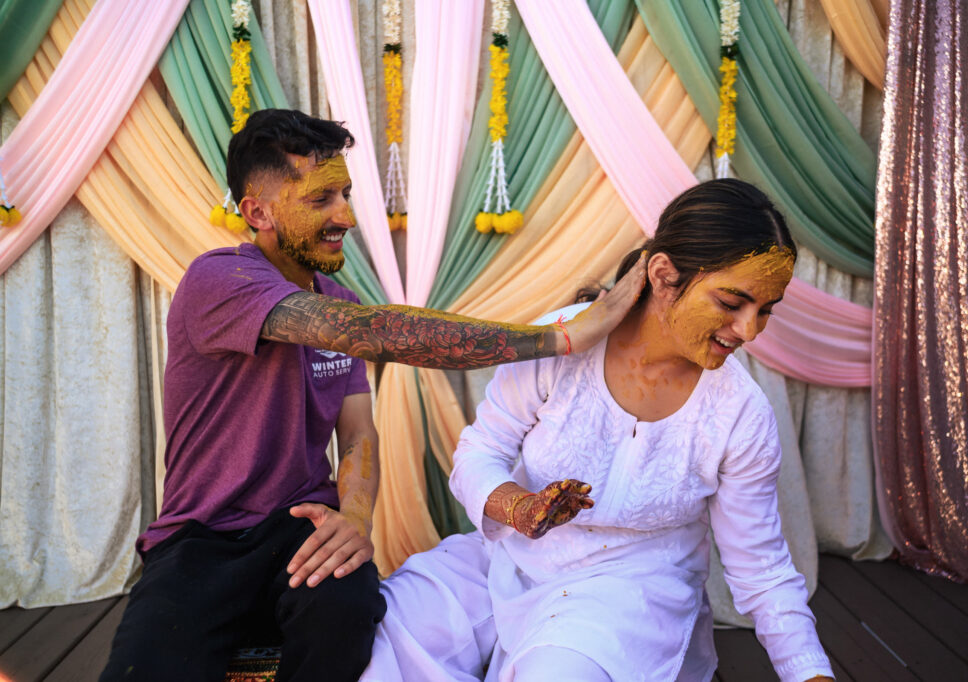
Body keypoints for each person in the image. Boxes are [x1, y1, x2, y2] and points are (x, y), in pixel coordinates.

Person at [98, 109, 644, 682]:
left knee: (349, 617)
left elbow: (357, 432)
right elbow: (372, 332)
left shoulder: (341, 297)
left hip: (301, 526)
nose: (346, 216)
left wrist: (355, 519)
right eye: (321, 200)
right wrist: (561, 337)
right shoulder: (219, 280)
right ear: (257, 212)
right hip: (201, 539)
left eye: (346, 194)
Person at [359, 179, 836, 682]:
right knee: (381, 641)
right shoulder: (565, 339)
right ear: (663, 274)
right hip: (504, 560)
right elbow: (482, 449)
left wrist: (811, 673)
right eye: (731, 302)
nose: (748, 331)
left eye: (765, 310)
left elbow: (761, 571)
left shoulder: (741, 414)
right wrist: (518, 508)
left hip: (626, 593)